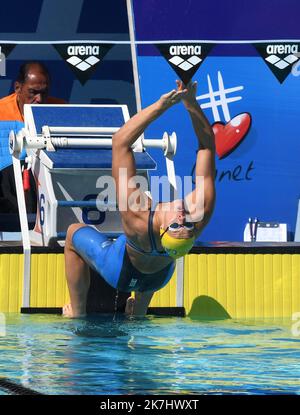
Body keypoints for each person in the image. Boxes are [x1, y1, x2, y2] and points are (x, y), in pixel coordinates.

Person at [63, 80, 216, 318]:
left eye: (176, 225)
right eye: (187, 226)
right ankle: (138, 312)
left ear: (163, 229)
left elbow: (120, 142)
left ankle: (77, 313)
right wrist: (191, 103)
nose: (182, 218)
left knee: (73, 233)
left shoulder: (138, 218)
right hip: (158, 279)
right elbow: (206, 146)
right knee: (149, 262)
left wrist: (161, 106)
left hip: (120, 273)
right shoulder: (199, 212)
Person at [0, 61, 66, 215]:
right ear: (18, 88)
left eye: (44, 92)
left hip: (45, 188)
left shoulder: (60, 109)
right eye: (33, 92)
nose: (39, 99)